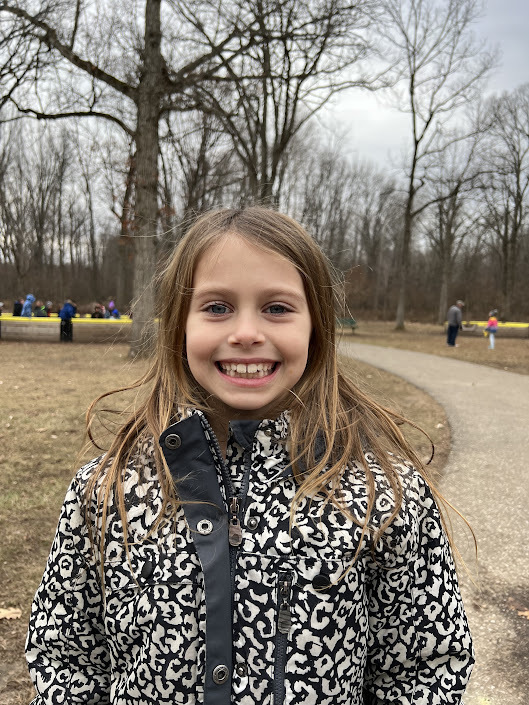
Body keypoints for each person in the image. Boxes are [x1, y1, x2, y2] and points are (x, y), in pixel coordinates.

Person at [26, 207, 474, 704]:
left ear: (316, 326)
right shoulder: (107, 490)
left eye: (277, 308)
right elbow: (65, 655)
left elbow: (426, 666)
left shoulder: (383, 495)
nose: (245, 332)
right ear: (179, 325)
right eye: (217, 307)